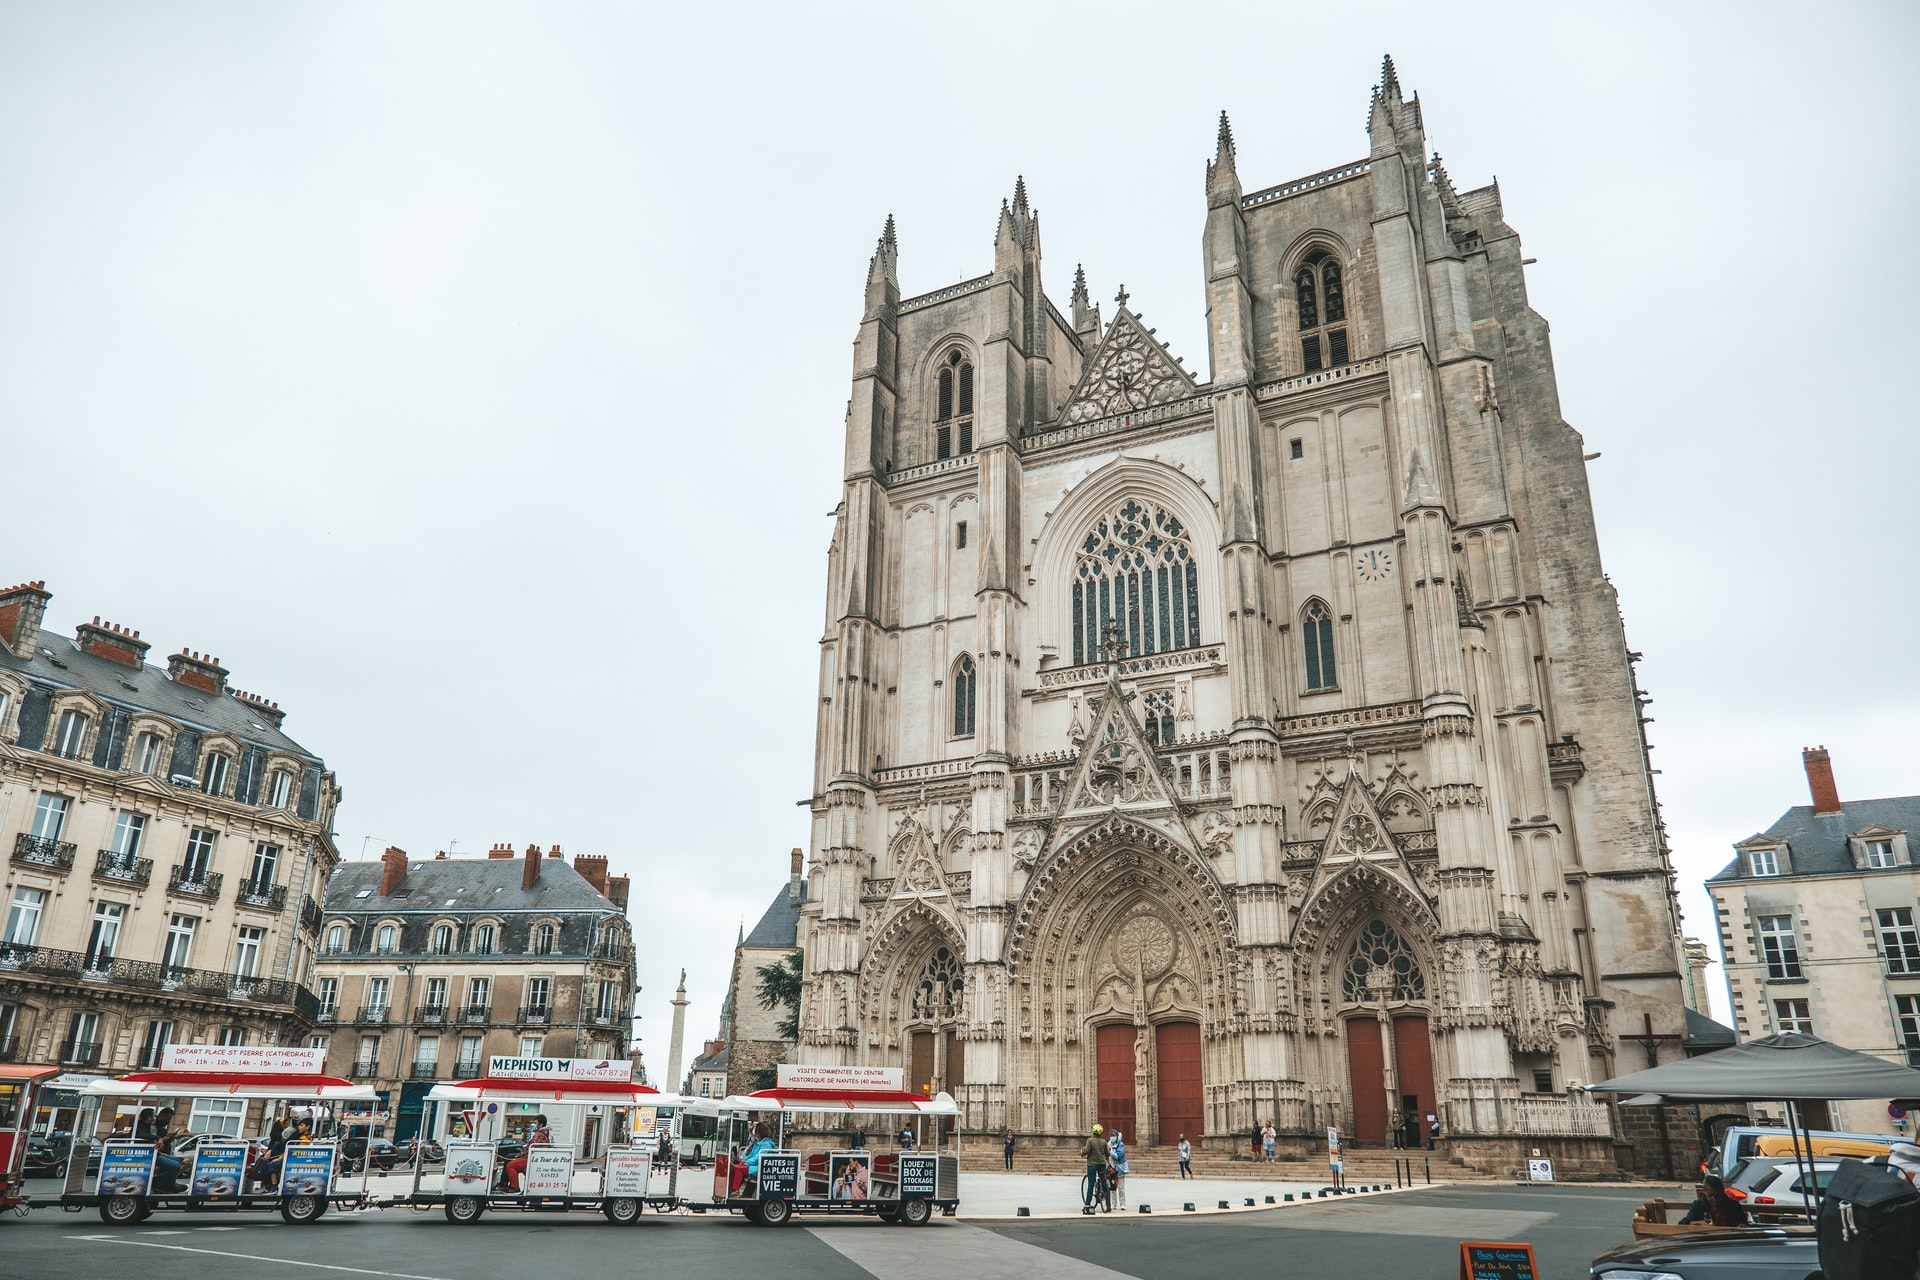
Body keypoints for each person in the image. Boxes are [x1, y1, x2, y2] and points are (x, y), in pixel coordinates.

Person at [504, 1113, 553, 1193]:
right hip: (535, 1158)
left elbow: (532, 1148)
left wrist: (518, 1155)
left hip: (533, 1159)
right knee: (510, 1160)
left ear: (540, 1124)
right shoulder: (544, 1133)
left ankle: (514, 1187)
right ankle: (508, 1185)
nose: (534, 1125)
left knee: (510, 1165)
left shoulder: (540, 1134)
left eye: (535, 1123)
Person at [1080, 1124, 1107, 1214]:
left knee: (1091, 1184)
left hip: (1092, 1164)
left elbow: (1087, 1150)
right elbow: (1107, 1153)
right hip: (1102, 1164)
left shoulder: (1090, 1140)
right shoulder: (1104, 1142)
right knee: (1103, 1181)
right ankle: (1106, 1200)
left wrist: (1082, 1152)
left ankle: (1087, 1204)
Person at [1107, 1129, 1129, 1210]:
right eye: (1111, 1136)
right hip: (1112, 1169)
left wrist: (1110, 1152)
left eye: (1113, 1136)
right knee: (1112, 1188)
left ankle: (1122, 1204)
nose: (1112, 1137)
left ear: (1117, 1136)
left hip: (1120, 1169)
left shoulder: (1121, 1145)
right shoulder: (1109, 1144)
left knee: (1121, 1188)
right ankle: (1114, 1204)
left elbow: (1118, 1155)